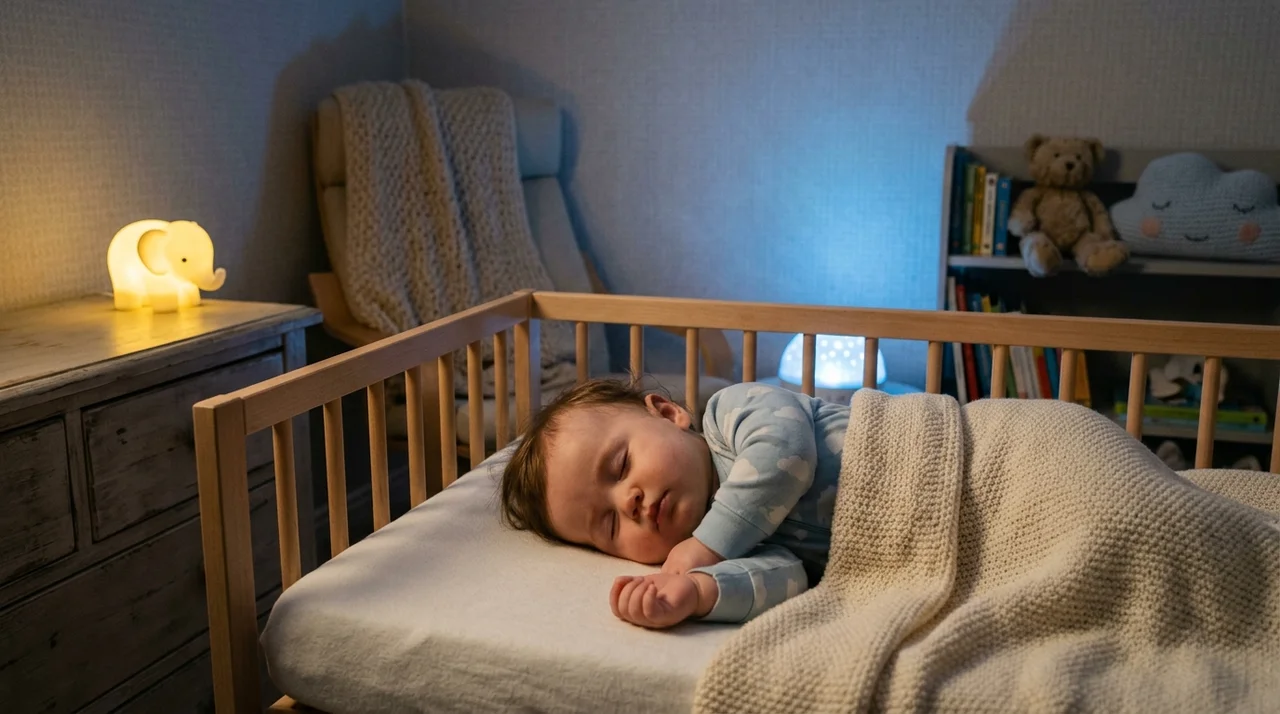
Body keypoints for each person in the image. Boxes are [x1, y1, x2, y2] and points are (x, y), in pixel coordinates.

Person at [499, 376, 849, 629]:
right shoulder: (728, 553)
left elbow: (788, 451)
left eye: (621, 465)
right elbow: (787, 580)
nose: (627, 503)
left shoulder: (729, 413)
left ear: (668, 414)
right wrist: (696, 592)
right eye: (609, 525)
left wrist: (708, 544)